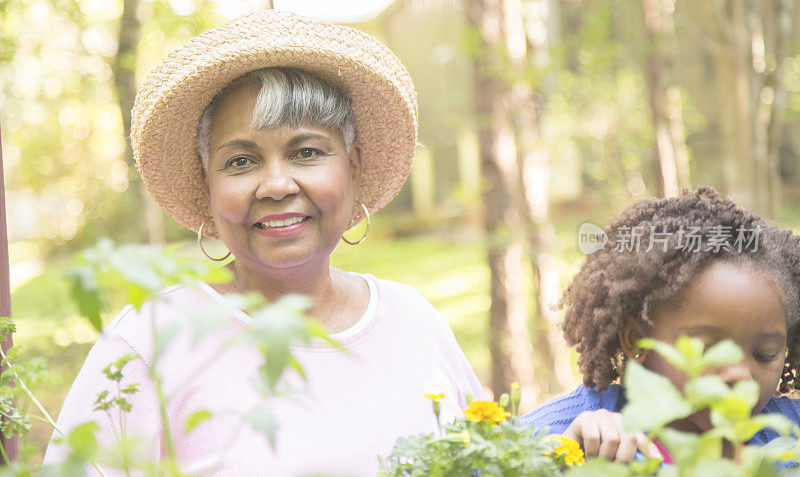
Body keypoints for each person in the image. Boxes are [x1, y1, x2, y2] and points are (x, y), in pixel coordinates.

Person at [44, 10, 484, 476]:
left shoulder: (412, 320)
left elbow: (496, 456)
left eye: (307, 152)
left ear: (353, 165)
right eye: (240, 162)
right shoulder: (148, 342)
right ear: (206, 182)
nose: (276, 184)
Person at [522, 187, 800, 463]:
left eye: (765, 354)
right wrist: (555, 458)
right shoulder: (576, 432)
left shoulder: (789, 434)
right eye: (707, 350)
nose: (740, 376)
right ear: (635, 339)